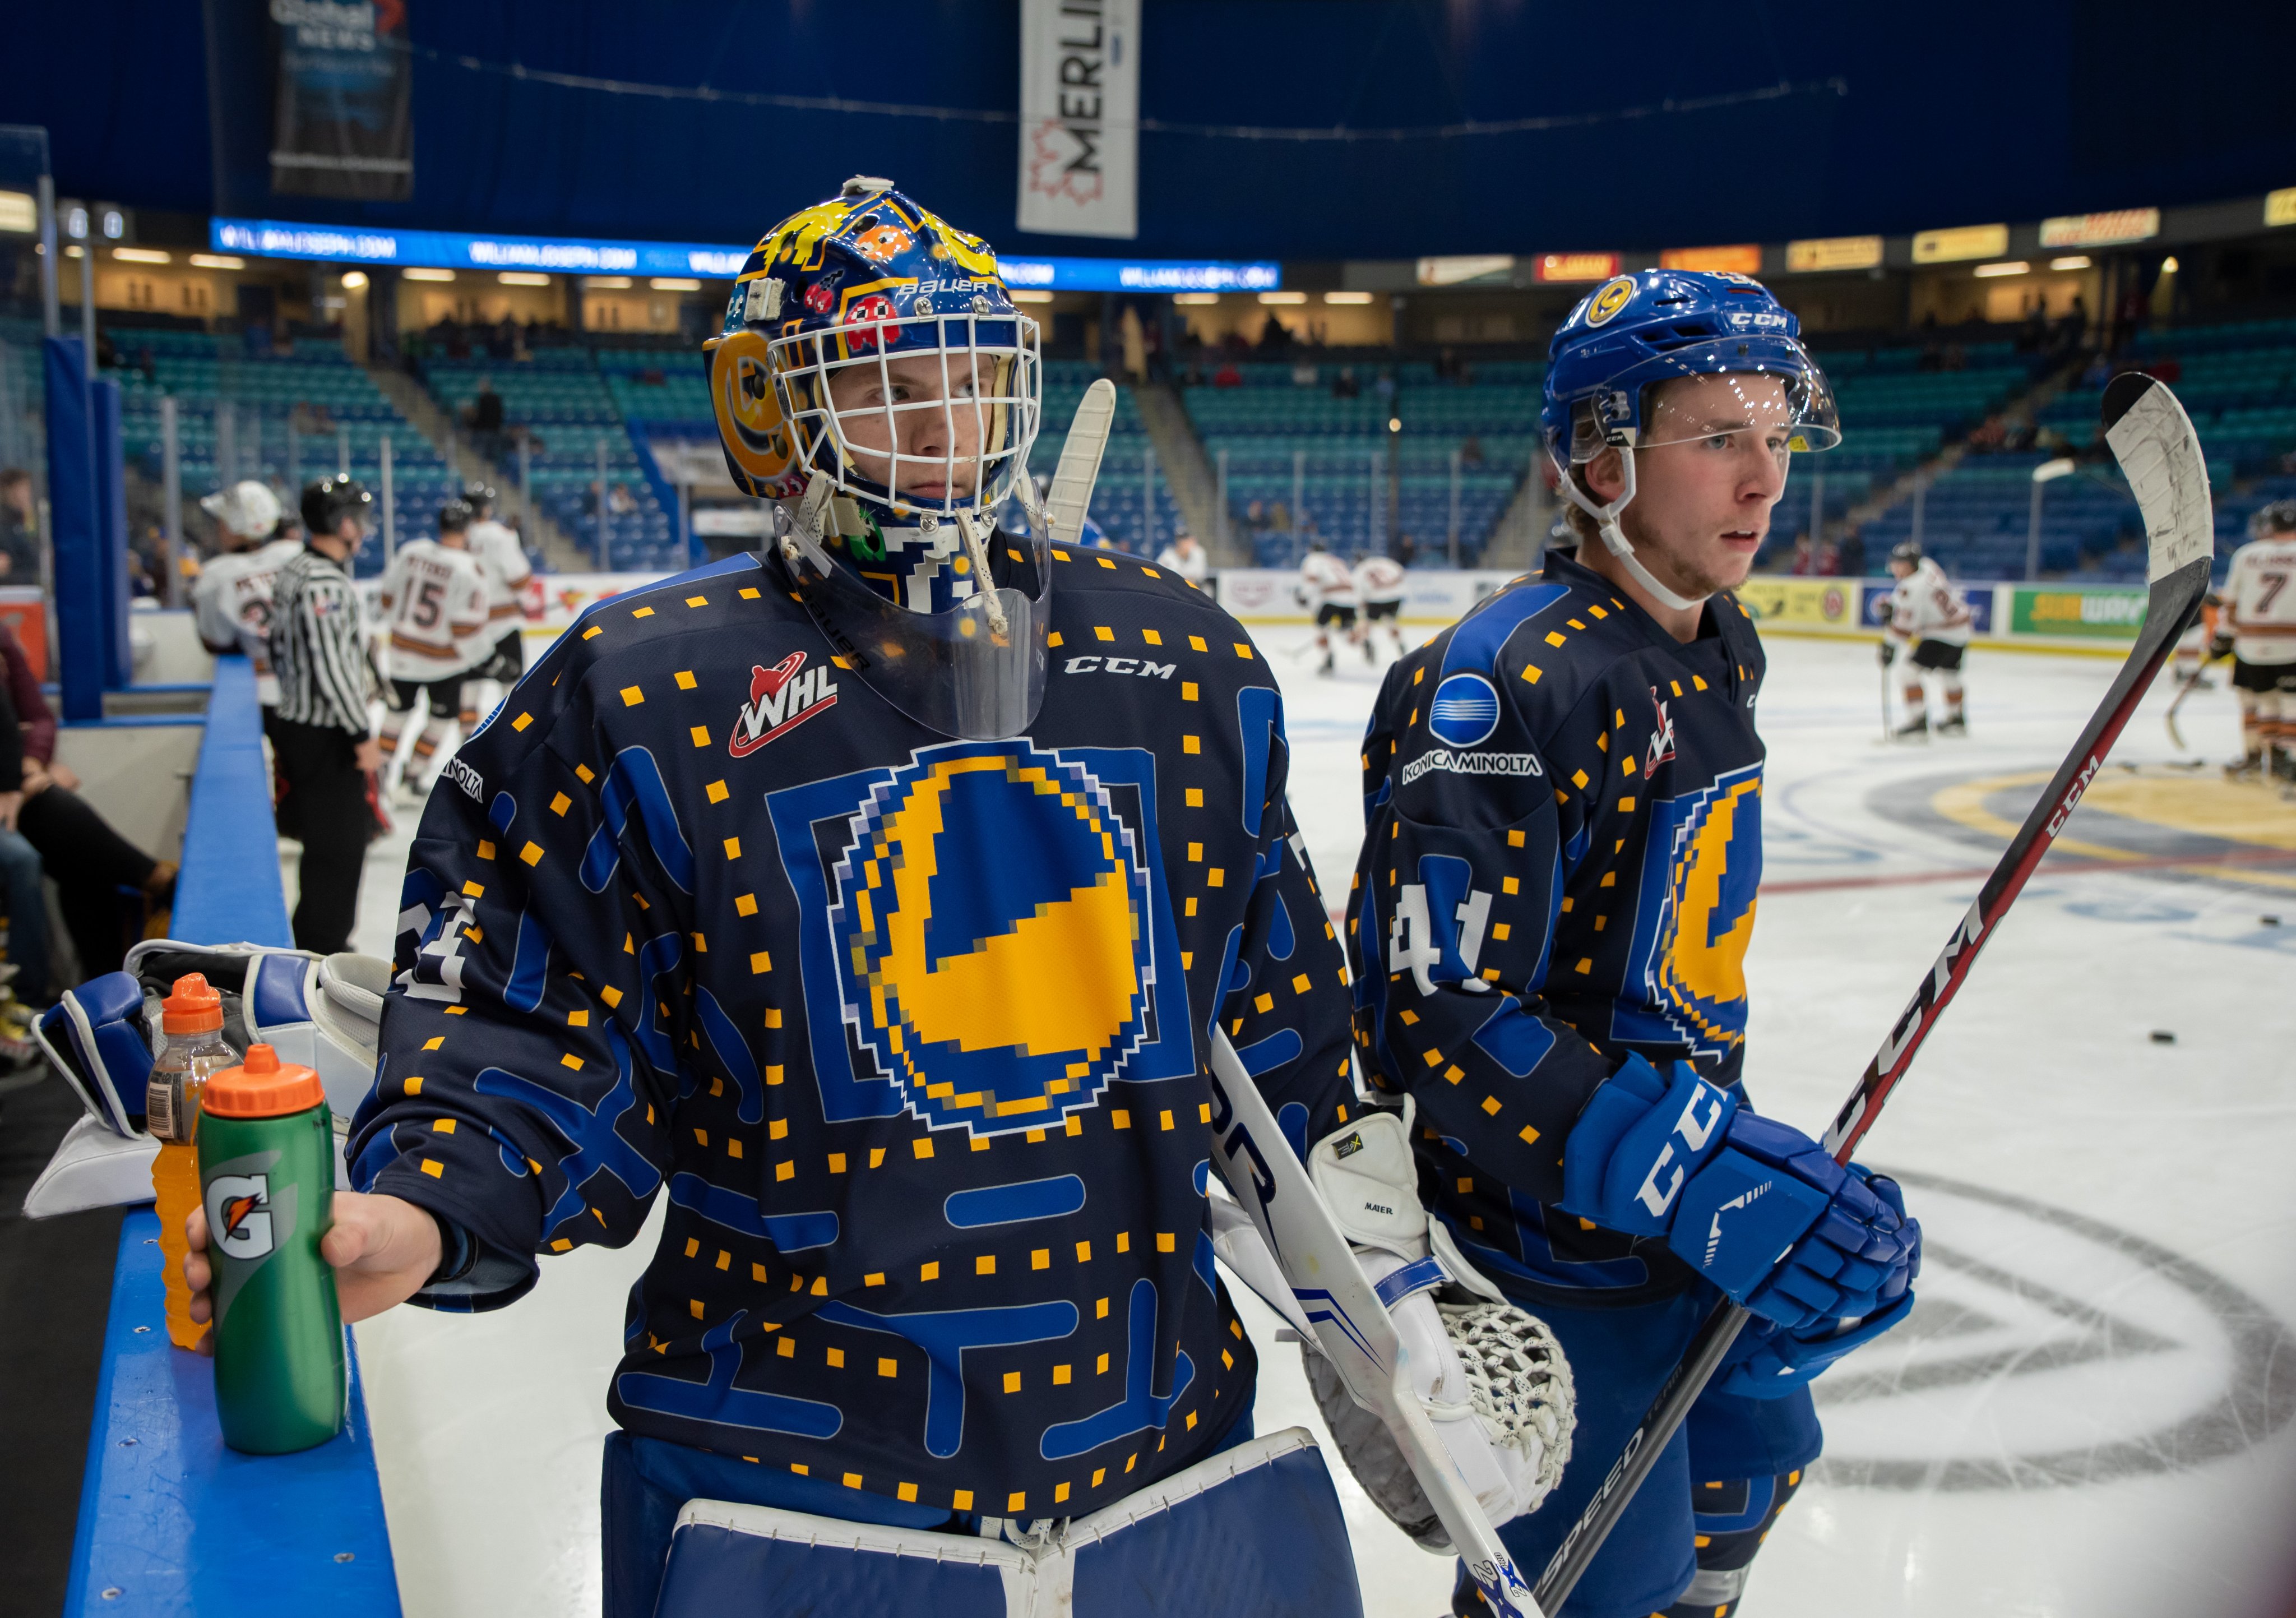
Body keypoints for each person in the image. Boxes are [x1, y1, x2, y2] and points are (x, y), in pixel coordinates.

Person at [188, 177, 1548, 1618]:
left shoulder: (1183, 662)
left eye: (971, 379)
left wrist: (1389, 1308)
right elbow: (533, 1018)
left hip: (1163, 1456)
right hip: (786, 1484)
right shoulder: (644, 686)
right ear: (767, 406)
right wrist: (434, 1203)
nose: (950, 428)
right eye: (895, 383)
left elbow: (1284, 1043)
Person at [1353, 270, 1920, 1618]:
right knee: (1599, 1580)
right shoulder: (1499, 681)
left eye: (1779, 437)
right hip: (1546, 1250)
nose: (1765, 480)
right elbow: (1434, 1016)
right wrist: (1686, 1166)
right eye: (1720, 437)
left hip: (1670, 1206)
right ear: (1597, 455)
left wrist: (1720, 1164)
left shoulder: (1717, 646)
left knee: (1750, 1470)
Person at [268, 477, 384, 954]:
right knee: (338, 850)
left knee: (323, 846)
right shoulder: (324, 582)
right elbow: (332, 666)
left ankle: (317, 939)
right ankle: (324, 950)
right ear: (343, 523)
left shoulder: (297, 567)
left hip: (299, 725)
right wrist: (361, 736)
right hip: (325, 735)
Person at [374, 501, 493, 798]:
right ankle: (412, 774)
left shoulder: (411, 552)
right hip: (444, 662)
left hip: (402, 653)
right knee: (440, 721)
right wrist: (484, 657)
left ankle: (376, 780)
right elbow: (465, 628)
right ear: (468, 530)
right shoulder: (469, 569)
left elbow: (386, 598)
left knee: (395, 717)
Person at [190, 479, 305, 711]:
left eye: (222, 521)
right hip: (310, 683)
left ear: (235, 525)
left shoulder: (215, 575)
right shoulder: (299, 555)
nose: (219, 528)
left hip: (257, 691)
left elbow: (215, 642)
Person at [2219, 501, 2296, 781]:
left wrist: (2223, 638)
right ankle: (2285, 763)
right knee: (2291, 704)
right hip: (2292, 644)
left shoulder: (2246, 554)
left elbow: (2230, 605)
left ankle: (2259, 757)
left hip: (2250, 645)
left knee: (2261, 701)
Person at [461, 480, 538, 732]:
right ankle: (508, 741)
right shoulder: (498, 534)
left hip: (469, 630)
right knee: (513, 689)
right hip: (502, 626)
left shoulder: (458, 536)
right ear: (486, 509)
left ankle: (465, 747)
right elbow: (520, 580)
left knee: (469, 689)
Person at [1880, 539, 1973, 738]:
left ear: (1908, 565)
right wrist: (1896, 606)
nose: (1895, 568)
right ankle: (1956, 719)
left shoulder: (1910, 588)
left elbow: (1906, 631)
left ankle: (1918, 721)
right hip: (1962, 628)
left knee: (1906, 673)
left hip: (1941, 635)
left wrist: (1889, 644)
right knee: (1949, 674)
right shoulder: (1928, 564)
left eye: (1898, 564)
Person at [1296, 538, 1357, 676]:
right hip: (1351, 598)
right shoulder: (1336, 560)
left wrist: (1304, 595)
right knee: (1345, 630)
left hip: (1331, 599)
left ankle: (1327, 659)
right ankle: (1363, 642)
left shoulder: (1313, 559)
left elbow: (1312, 578)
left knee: (1320, 630)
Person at [1350, 548, 1406, 662]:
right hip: (1395, 597)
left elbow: (1358, 592)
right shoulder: (1383, 561)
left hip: (1376, 599)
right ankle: (1400, 643)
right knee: (1391, 622)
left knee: (1366, 623)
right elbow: (1400, 572)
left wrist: (1362, 604)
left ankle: (1367, 642)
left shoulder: (1360, 569)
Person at [0, 468, 39, 584]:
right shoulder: (4, 523)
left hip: (29, 588)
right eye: (24, 488)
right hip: (12, 592)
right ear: (10, 490)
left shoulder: (26, 518)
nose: (28, 494)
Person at [1154, 529, 1212, 594]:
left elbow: (1201, 575)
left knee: (1208, 591)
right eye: (1182, 540)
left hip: (1195, 587)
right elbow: (1167, 578)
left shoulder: (1199, 553)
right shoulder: (1167, 556)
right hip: (1173, 589)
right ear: (1177, 542)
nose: (1184, 543)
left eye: (1187, 540)